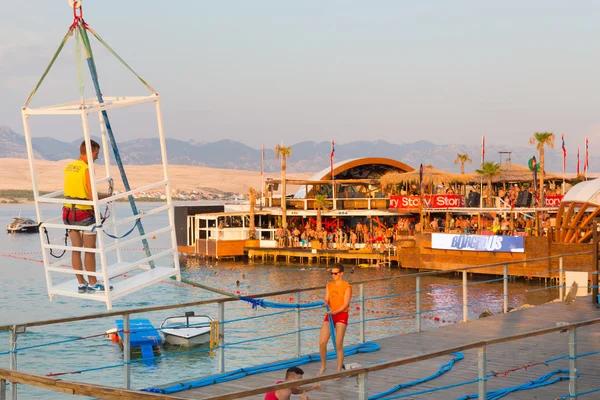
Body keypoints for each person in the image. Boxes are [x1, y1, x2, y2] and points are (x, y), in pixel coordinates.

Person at [63, 140, 111, 293]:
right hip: (84, 213)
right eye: (96, 154)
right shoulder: (87, 169)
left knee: (76, 249)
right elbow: (91, 197)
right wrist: (107, 196)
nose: (97, 157)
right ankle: (93, 282)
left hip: (69, 212)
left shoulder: (68, 167)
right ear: (90, 152)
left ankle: (80, 283)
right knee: (90, 249)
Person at [318, 263, 352, 375]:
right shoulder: (329, 285)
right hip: (330, 314)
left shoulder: (347, 287)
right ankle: (323, 366)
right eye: (332, 273)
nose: (333, 275)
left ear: (341, 273)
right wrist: (325, 303)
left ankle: (338, 370)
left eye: (335, 273)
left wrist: (335, 312)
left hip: (341, 314)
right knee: (322, 342)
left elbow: (345, 304)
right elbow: (326, 298)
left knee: (338, 343)